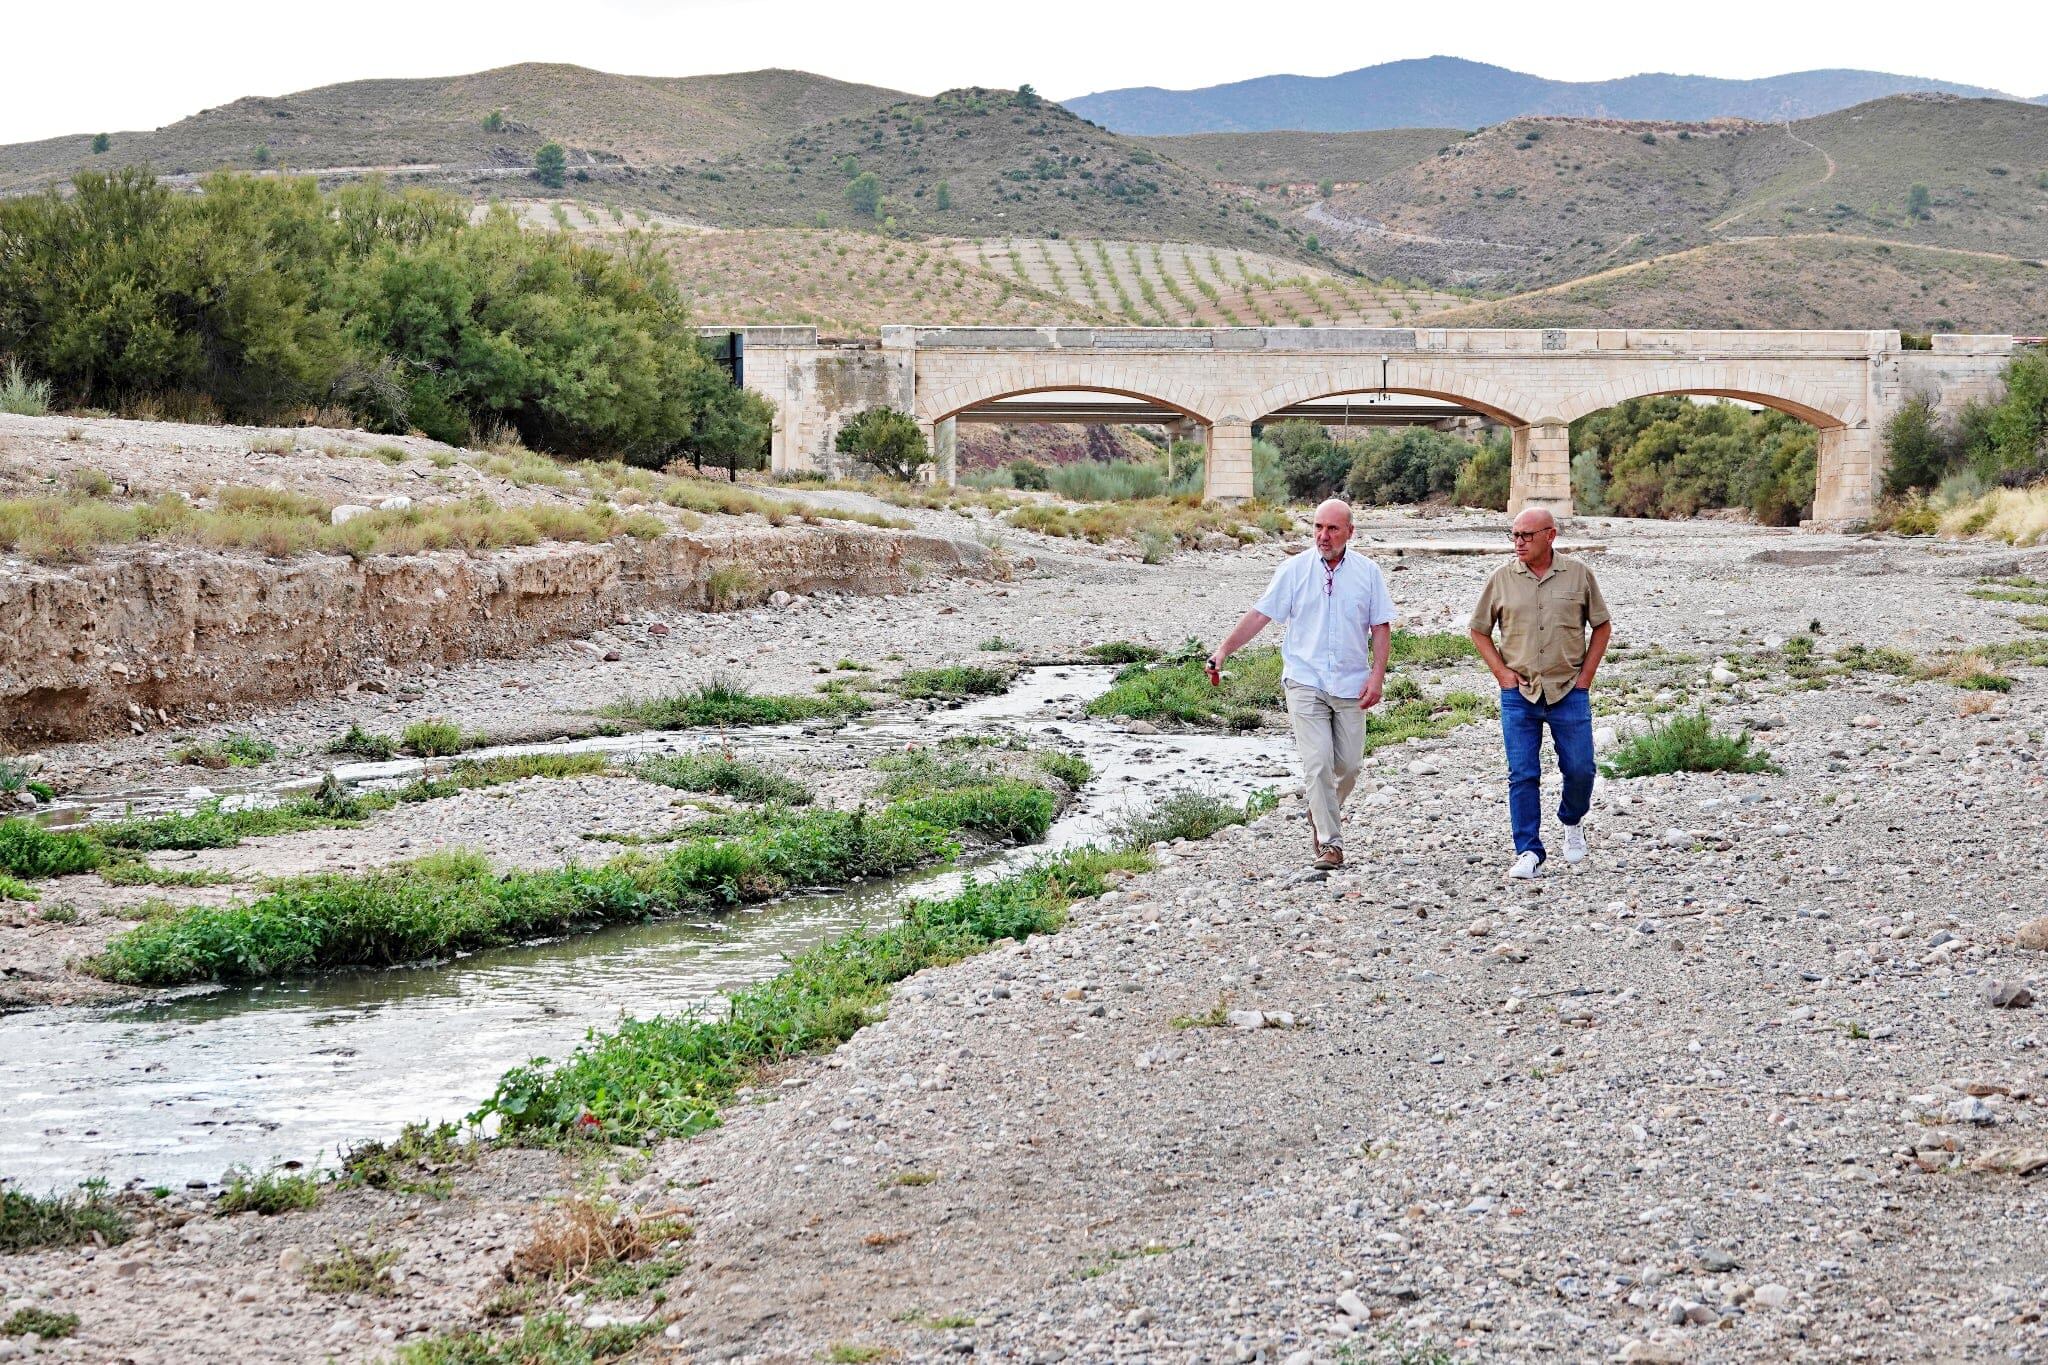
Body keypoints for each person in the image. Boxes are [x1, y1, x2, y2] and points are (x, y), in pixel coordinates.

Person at [1209, 498, 1392, 870]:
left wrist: (1377, 675)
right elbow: (1261, 614)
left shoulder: (1368, 572)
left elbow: (1380, 626)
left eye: (1332, 529)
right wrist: (1223, 650)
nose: (1323, 536)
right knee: (1317, 764)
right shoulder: (1293, 570)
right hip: (1304, 679)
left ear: (1350, 532)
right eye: (1318, 527)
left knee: (1351, 766)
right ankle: (1330, 843)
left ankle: (1320, 811)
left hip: (1351, 682)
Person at [1467, 506, 1611, 879]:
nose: (1518, 543)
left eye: (1526, 536)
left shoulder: (1578, 575)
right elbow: (1479, 630)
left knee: (1581, 768)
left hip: (1569, 689)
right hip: (1520, 693)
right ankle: (1528, 850)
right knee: (1522, 774)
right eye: (1514, 535)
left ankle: (1572, 818)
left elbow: (1602, 626)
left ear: (1551, 535)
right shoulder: (1501, 579)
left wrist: (1586, 679)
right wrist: (1501, 674)